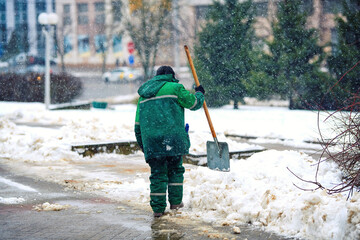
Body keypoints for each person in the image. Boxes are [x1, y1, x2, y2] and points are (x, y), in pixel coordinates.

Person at [134, 66, 205, 217]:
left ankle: (158, 209)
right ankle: (175, 203)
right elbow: (193, 104)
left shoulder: (143, 95)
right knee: (175, 170)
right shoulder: (175, 88)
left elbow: (138, 125)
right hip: (172, 138)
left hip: (152, 140)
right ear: (171, 76)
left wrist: (143, 144)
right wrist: (199, 94)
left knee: (157, 173)